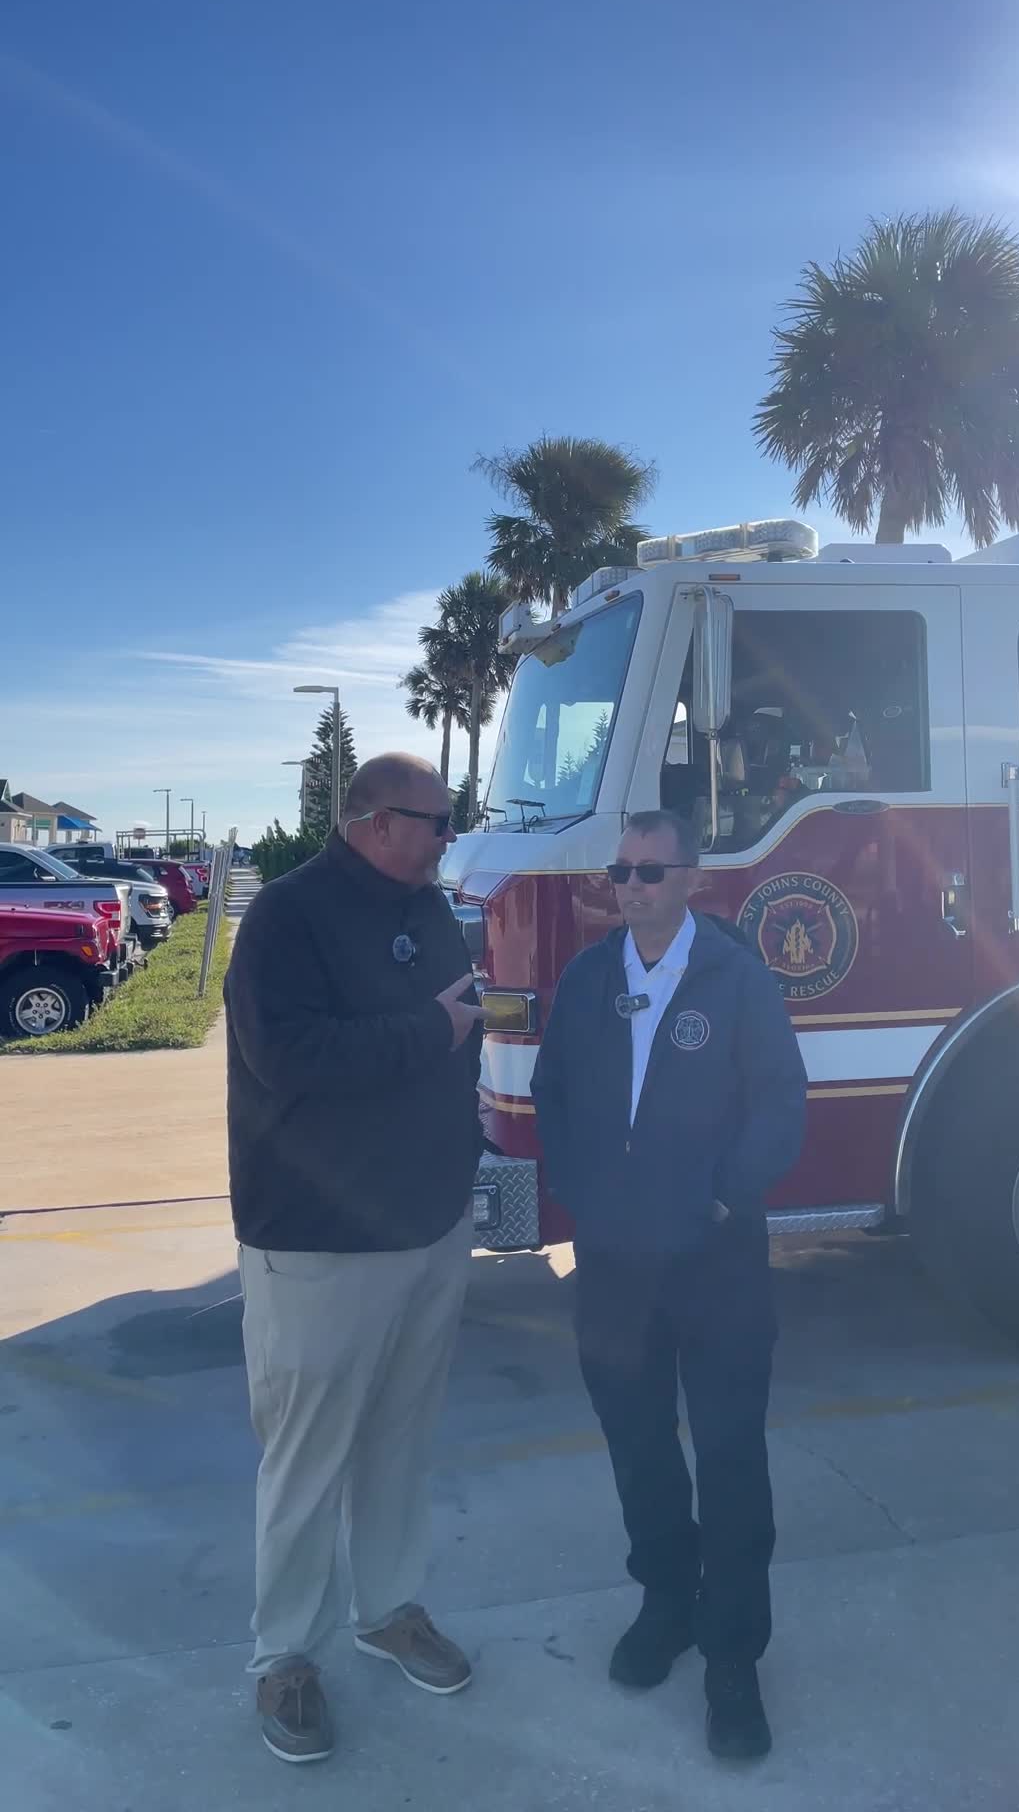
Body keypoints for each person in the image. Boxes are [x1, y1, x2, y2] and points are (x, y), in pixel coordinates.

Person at [224, 753, 487, 1765]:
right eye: (437, 821)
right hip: (318, 1242)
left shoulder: (429, 908)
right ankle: (283, 1658)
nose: (447, 839)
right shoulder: (287, 919)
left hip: (427, 1226)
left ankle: (389, 1609)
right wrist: (434, 1028)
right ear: (376, 821)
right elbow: (289, 1058)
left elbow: (451, 1032)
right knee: (305, 1457)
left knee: (399, 1440)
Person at [531, 809, 806, 1764]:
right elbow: (553, 1094)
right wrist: (582, 1196)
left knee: (731, 1460)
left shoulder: (738, 979)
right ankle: (668, 1605)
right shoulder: (588, 979)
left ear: (693, 878)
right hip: (614, 1268)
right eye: (622, 869)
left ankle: (734, 1655)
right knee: (640, 1447)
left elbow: (780, 1102)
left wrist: (727, 1202)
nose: (633, 884)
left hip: (717, 1263)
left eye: (652, 870)